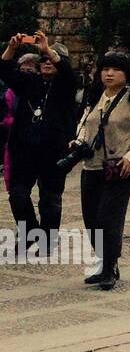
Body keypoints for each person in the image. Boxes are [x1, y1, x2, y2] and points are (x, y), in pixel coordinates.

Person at [73, 52, 130, 289]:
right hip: (92, 166)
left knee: (109, 217)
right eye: (105, 69)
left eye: (115, 70)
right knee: (91, 218)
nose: (109, 74)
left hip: (120, 167)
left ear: (126, 75)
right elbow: (84, 123)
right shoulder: (95, 96)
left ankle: (110, 267)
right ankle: (104, 263)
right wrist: (78, 140)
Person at [0, 31, 79, 256]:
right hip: (25, 150)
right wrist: (12, 48)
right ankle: (28, 234)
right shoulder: (30, 83)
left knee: (50, 199)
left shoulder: (66, 85)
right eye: (42, 59)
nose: (46, 62)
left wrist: (48, 50)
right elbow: (4, 70)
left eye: (50, 59)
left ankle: (46, 241)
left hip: (53, 151)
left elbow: (67, 73)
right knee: (18, 195)